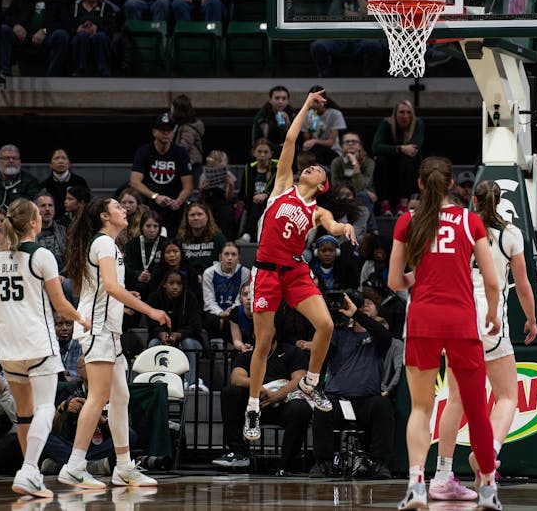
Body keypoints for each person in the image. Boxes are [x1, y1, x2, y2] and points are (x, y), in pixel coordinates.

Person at [244, 89, 359, 443]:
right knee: (263, 343)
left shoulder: (316, 210)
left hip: (294, 271)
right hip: (265, 271)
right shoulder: (282, 186)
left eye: (316, 169)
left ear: (322, 185)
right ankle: (252, 409)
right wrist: (307, 105)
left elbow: (333, 227)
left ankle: (310, 383)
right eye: (306, 166)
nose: (307, 168)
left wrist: (345, 228)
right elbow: (291, 138)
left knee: (325, 324)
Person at [387, 156, 502, 511]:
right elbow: (492, 280)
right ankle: (487, 489)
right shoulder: (471, 222)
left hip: (421, 321)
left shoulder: (408, 221)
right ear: (452, 184)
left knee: (421, 408)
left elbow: (393, 282)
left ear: (420, 184)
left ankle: (417, 485)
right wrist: (494, 314)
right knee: (476, 408)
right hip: (461, 322)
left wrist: (418, 279)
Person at [0, 197, 90, 499]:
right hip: (37, 343)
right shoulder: (42, 255)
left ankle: (29, 473)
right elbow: (60, 304)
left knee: (24, 414)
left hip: (8, 347)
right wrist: (83, 319)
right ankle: (29, 469)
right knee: (45, 407)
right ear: (34, 222)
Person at [431, 180, 537, 501]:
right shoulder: (510, 234)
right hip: (490, 323)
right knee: (507, 397)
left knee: (455, 400)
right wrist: (532, 320)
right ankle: (486, 454)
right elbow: (522, 287)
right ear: (500, 199)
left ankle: (441, 475)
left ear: (473, 200)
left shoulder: (460, 226)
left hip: (458, 319)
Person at [57, 197, 171, 489]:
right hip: (98, 331)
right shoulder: (104, 243)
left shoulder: (109, 244)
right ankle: (74, 466)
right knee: (98, 397)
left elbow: (106, 291)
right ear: (105, 216)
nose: (124, 209)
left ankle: (123, 467)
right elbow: (110, 287)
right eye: (118, 207)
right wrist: (150, 310)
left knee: (121, 398)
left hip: (109, 330)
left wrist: (126, 304)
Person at [309, 292, 394, 479]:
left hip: (367, 401)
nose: (361, 308)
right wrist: (327, 319)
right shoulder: (338, 334)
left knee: (383, 406)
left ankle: (379, 463)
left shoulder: (378, 339)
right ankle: (323, 463)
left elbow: (384, 335)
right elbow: (323, 350)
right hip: (337, 399)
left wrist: (356, 314)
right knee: (322, 407)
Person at [213, 332, 313, 473]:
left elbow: (299, 379)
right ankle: (238, 453)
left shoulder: (292, 352)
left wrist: (276, 395)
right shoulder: (247, 355)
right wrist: (258, 387)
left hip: (282, 403)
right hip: (254, 405)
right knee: (230, 392)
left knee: (301, 408)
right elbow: (236, 378)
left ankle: (286, 464)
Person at [129, 113, 194, 234]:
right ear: (154, 132)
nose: (166, 133)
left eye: (169, 130)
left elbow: (188, 186)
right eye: (162, 130)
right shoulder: (144, 151)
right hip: (149, 200)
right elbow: (135, 182)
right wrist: (155, 196)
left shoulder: (180, 153)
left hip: (173, 201)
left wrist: (178, 201)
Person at [0, 0, 68, 78]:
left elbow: (64, 23)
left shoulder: (60, 0)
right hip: (23, 37)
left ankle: (52, 76)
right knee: (4, 30)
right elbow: (7, 16)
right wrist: (15, 25)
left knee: (61, 35)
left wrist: (45, 31)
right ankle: (4, 72)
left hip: (47, 38)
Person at [146, 270, 206, 391]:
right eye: (171, 283)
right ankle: (153, 381)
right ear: (164, 284)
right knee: (153, 344)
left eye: (179, 284)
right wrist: (161, 334)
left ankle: (191, 382)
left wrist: (179, 335)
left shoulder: (190, 298)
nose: (175, 287)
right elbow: (151, 326)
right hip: (163, 339)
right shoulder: (154, 298)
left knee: (188, 342)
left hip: (190, 341)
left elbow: (196, 327)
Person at [372, 101, 425, 217]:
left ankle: (403, 204)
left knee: (407, 158)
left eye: (408, 112)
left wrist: (399, 150)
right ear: (395, 114)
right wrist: (400, 148)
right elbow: (376, 148)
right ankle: (385, 205)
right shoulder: (386, 124)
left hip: (410, 170)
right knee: (381, 159)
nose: (405, 116)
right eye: (401, 112)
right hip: (389, 169)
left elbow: (414, 148)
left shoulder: (418, 124)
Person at [202, 242, 250, 345]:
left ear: (238, 258)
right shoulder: (209, 273)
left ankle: (231, 347)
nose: (230, 258)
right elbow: (208, 300)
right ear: (220, 257)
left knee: (232, 318)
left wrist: (231, 310)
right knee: (212, 321)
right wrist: (220, 312)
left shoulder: (245, 272)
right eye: (226, 254)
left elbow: (241, 297)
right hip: (214, 310)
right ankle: (215, 348)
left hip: (234, 308)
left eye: (233, 254)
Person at [237, 138, 278, 243]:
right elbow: (243, 190)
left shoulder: (277, 167)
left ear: (271, 154)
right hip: (252, 204)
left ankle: (247, 235)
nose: (262, 155)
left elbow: (282, 187)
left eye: (266, 152)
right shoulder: (249, 168)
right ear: (254, 153)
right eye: (259, 152)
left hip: (273, 203)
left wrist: (266, 194)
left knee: (259, 202)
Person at [176, 202, 227, 280]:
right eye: (192, 215)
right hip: (187, 279)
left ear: (207, 217)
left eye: (200, 214)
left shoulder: (218, 238)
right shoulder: (180, 238)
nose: (196, 218)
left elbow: (224, 262)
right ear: (187, 218)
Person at [40, 149, 89, 220]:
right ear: (50, 164)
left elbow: (86, 204)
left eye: (64, 158)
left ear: (69, 163)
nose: (60, 161)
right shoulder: (44, 185)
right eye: (56, 158)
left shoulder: (80, 182)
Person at [251, 85, 297, 156]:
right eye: (277, 98)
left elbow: (297, 140)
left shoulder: (293, 114)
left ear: (288, 101)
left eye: (284, 98)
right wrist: (277, 147)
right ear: (270, 100)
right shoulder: (262, 116)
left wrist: (288, 123)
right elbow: (256, 141)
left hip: (288, 151)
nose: (280, 101)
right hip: (268, 152)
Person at [34, 191, 67, 269]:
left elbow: (71, 259)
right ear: (35, 210)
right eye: (43, 206)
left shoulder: (65, 231)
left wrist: (63, 275)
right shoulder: (29, 234)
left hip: (62, 277)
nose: (47, 209)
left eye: (50, 205)